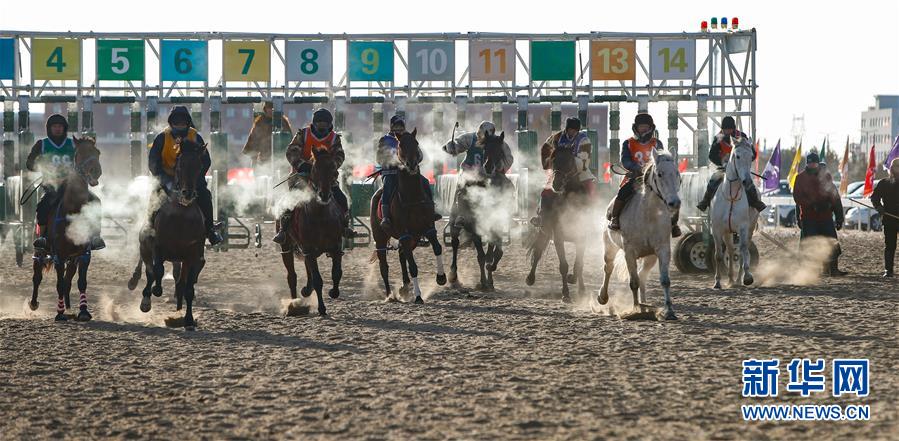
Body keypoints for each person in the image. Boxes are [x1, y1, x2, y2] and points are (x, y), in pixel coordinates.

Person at [272, 108, 355, 244]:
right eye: (319, 123)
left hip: (325, 177)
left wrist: (330, 166)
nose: (322, 126)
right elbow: (291, 151)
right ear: (314, 123)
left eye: (325, 123)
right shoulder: (303, 134)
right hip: (302, 175)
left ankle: (345, 226)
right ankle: (283, 230)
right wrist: (301, 164)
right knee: (290, 200)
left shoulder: (334, 138)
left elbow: (339, 155)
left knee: (342, 198)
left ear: (329, 124)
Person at [27, 114, 106, 252]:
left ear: (65, 128)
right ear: (49, 128)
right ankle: (42, 238)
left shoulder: (74, 145)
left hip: (73, 186)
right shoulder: (42, 144)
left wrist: (91, 177)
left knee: (95, 202)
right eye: (54, 126)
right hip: (52, 186)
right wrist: (43, 167)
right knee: (43, 207)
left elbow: (86, 163)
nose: (57, 129)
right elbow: (29, 163)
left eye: (60, 126)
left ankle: (95, 237)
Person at [148, 106, 223, 246]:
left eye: (183, 123)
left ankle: (210, 230)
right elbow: (153, 162)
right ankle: (150, 230)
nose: (180, 125)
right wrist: (165, 180)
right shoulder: (161, 138)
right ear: (171, 123)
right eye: (177, 122)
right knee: (155, 197)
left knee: (205, 196)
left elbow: (206, 161)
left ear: (188, 123)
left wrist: (196, 178)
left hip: (191, 179)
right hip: (167, 177)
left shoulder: (196, 137)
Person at [608, 113, 681, 237]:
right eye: (641, 126)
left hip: (654, 178)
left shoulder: (657, 143)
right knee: (623, 192)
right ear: (636, 128)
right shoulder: (628, 143)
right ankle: (615, 218)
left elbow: (661, 160)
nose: (643, 129)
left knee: (671, 195)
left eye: (646, 127)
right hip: (636, 177)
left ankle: (674, 224)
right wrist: (637, 168)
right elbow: (625, 160)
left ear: (651, 128)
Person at [530, 117, 595, 228]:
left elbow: (584, 160)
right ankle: (541, 216)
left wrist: (569, 162)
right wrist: (549, 165)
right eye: (570, 129)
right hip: (559, 170)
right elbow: (545, 149)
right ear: (566, 129)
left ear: (578, 130)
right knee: (546, 191)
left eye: (574, 130)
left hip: (579, 171)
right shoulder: (557, 137)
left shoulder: (584, 140)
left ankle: (591, 218)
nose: (572, 132)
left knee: (590, 189)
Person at [377, 115, 439, 230]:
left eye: (400, 126)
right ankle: (385, 217)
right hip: (391, 173)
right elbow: (379, 159)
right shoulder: (384, 140)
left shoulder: (409, 138)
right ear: (391, 127)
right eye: (396, 126)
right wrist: (393, 162)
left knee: (425, 182)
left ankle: (431, 211)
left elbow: (420, 155)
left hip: (409, 173)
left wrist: (414, 161)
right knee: (388, 187)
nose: (398, 129)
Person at [792, 150, 846, 276]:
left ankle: (833, 269)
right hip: (808, 218)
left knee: (832, 242)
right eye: (810, 163)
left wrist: (839, 217)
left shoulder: (826, 177)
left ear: (817, 163)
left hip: (825, 216)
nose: (812, 165)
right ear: (807, 163)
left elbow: (835, 198)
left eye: (814, 163)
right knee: (810, 244)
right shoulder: (800, 178)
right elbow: (797, 198)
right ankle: (811, 271)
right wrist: (812, 205)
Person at [696, 116, 767, 212]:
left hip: (740, 167)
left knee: (748, 182)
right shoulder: (718, 138)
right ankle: (705, 201)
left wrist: (744, 162)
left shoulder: (742, 136)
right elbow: (712, 156)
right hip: (723, 168)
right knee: (713, 180)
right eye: (725, 129)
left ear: (733, 128)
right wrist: (722, 162)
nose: (727, 131)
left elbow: (752, 153)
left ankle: (756, 201)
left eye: (729, 129)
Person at [242, 101, 293, 169]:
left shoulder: (282, 121)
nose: (270, 110)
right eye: (269, 108)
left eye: (272, 108)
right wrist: (254, 159)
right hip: (264, 158)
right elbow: (254, 139)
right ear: (265, 109)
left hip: (280, 157)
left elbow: (289, 139)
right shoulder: (260, 122)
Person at [871, 158, 899, 277]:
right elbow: (874, 197)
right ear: (892, 169)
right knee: (890, 245)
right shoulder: (884, 183)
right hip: (889, 219)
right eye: (896, 167)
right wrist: (879, 207)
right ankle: (888, 270)